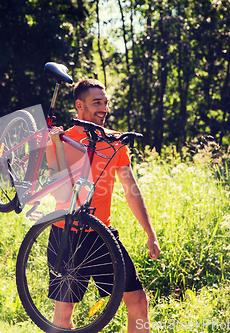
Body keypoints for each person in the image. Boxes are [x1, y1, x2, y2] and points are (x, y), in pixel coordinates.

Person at [46, 78, 161, 332]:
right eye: (96, 102)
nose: (104, 108)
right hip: (67, 234)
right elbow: (60, 189)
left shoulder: (114, 141)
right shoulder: (62, 138)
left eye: (106, 103)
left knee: (138, 302)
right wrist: (55, 146)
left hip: (102, 236)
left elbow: (131, 190)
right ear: (79, 105)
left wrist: (150, 233)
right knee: (63, 313)